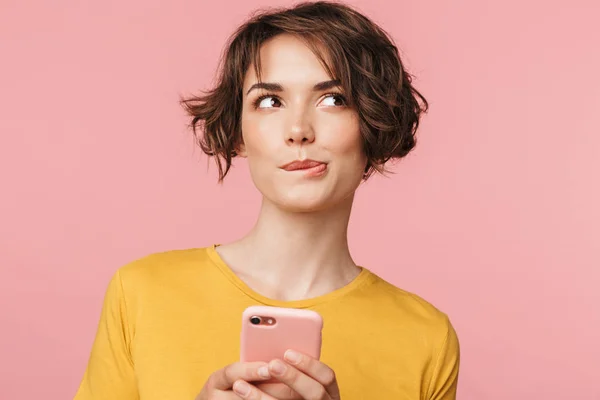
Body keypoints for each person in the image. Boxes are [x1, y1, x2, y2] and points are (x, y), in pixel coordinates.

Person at [74, 1, 460, 399]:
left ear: (375, 126)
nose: (298, 130)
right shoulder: (141, 293)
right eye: (270, 101)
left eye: (333, 99)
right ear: (238, 134)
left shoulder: (425, 338)